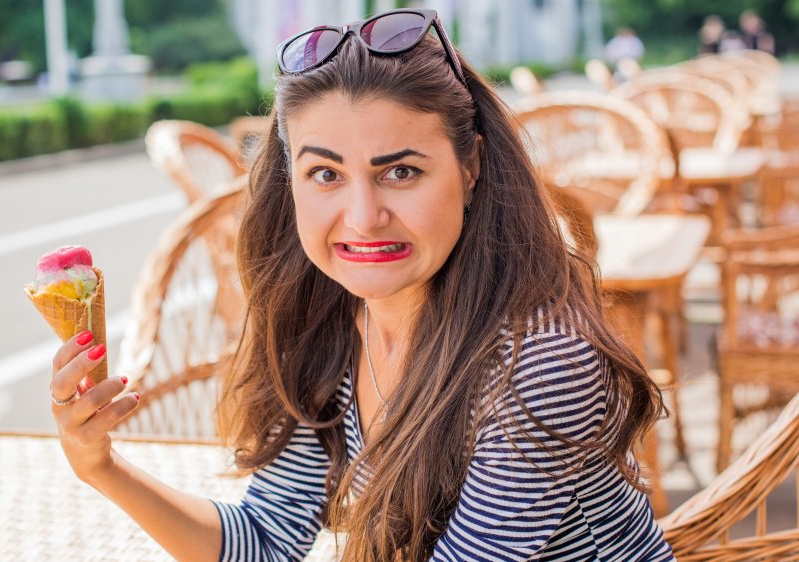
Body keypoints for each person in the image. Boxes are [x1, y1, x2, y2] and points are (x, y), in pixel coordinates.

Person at [48, 8, 674, 561]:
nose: (362, 215)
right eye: (325, 174)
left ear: (471, 165)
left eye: (400, 171)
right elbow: (266, 538)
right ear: (288, 183)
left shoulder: (539, 364)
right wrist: (102, 467)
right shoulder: (331, 326)